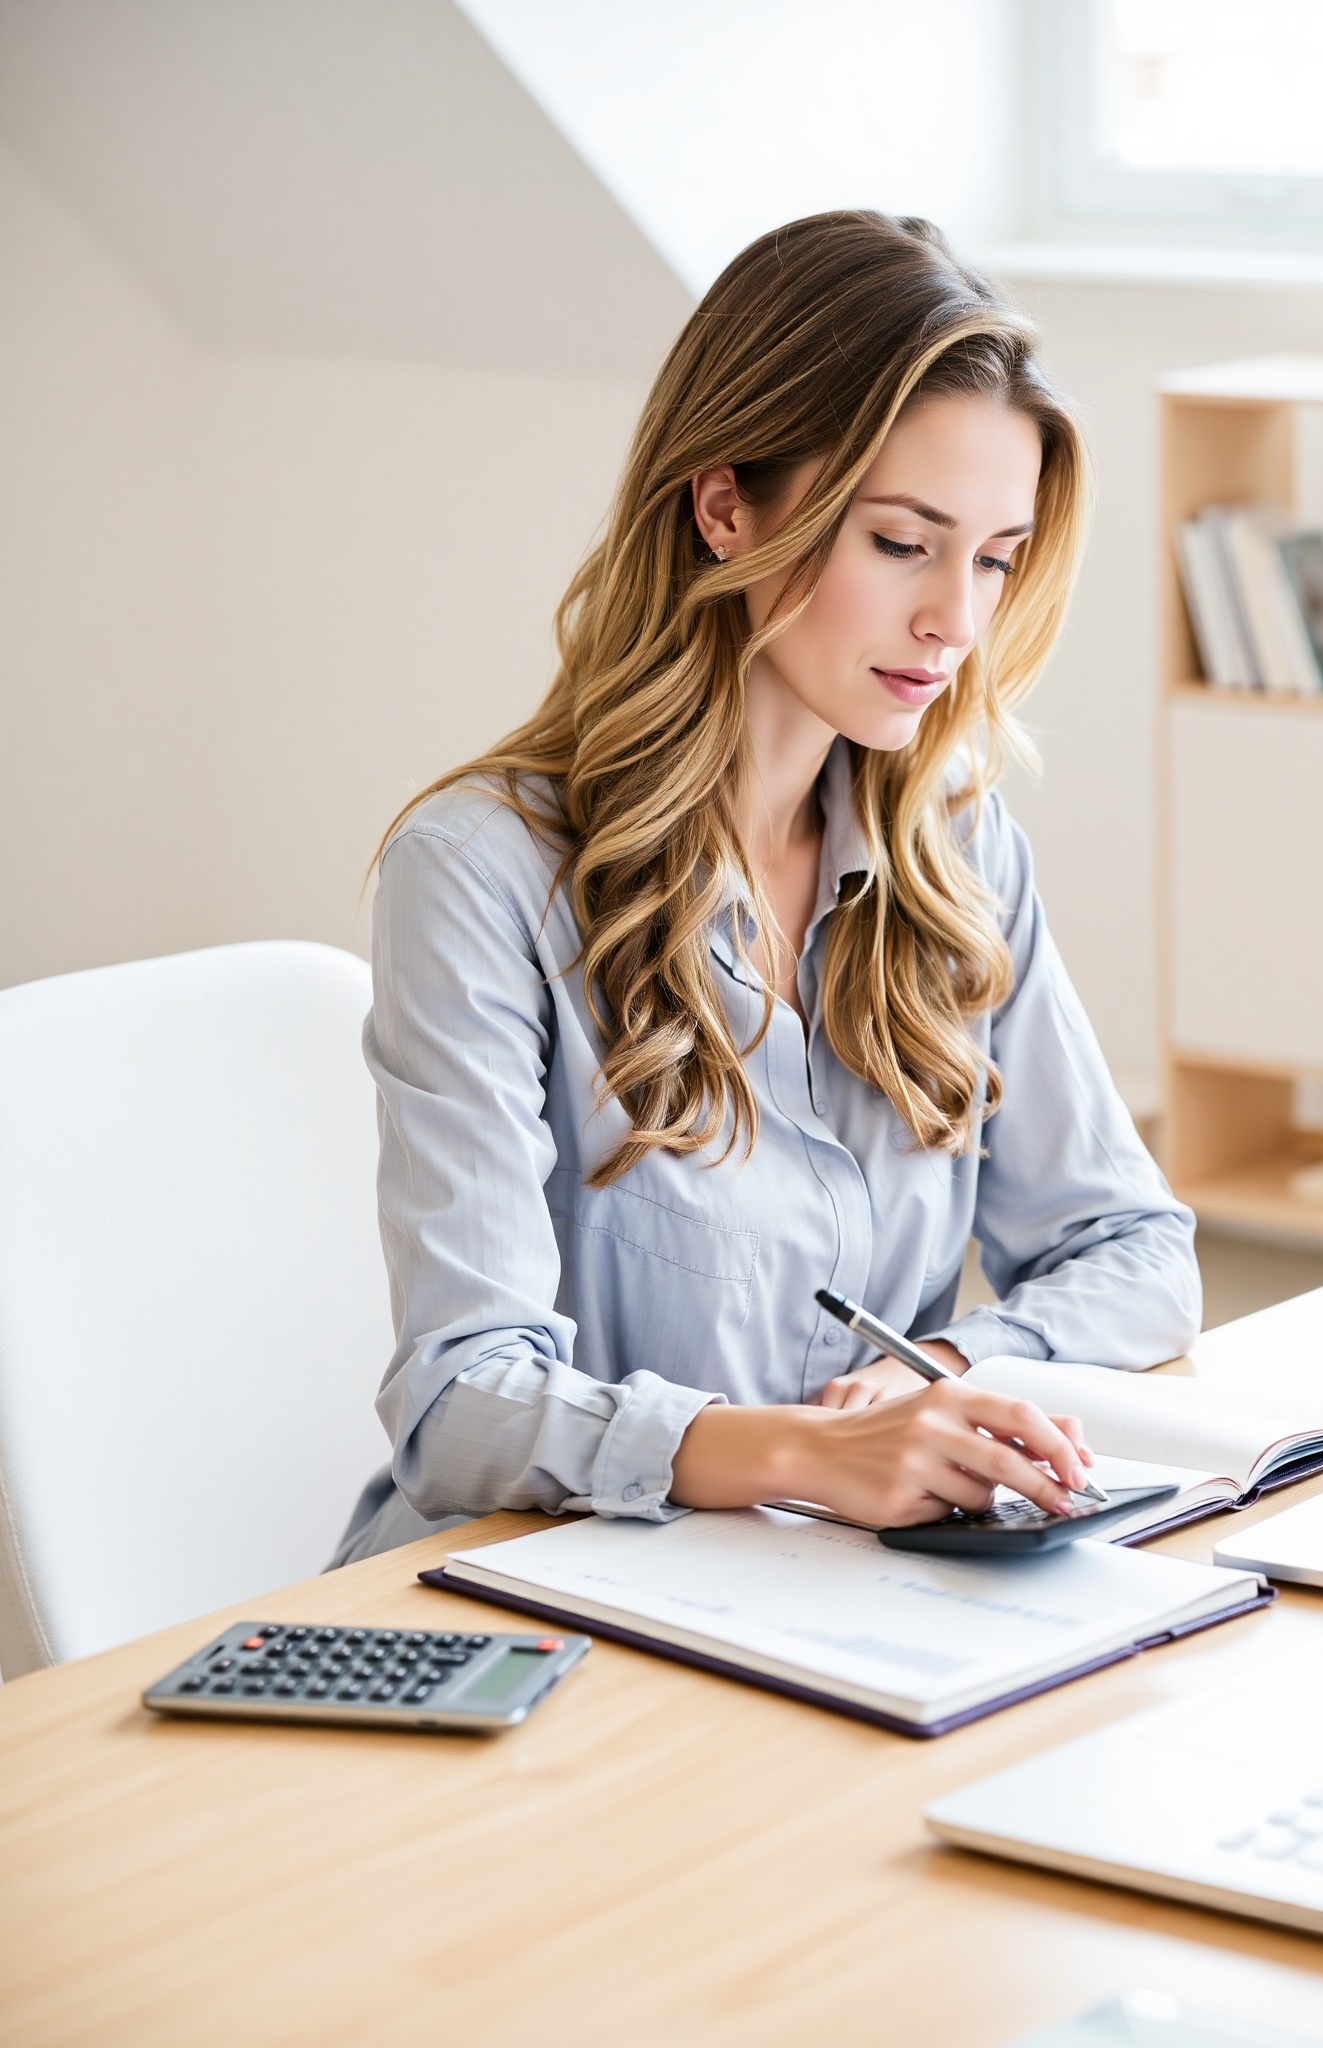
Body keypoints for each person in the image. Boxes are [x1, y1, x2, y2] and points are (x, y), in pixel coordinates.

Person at [333, 212, 1199, 1565]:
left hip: (821, 1588)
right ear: (726, 501)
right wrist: (812, 1450)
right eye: (902, 543)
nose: (955, 624)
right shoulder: (482, 873)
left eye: (994, 558)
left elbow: (1139, 1253)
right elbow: (461, 1403)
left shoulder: (958, 857)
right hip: (530, 1599)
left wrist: (948, 1363)